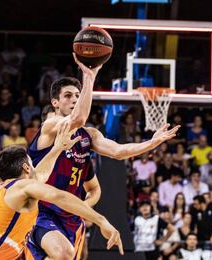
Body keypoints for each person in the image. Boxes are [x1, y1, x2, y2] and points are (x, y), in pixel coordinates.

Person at [27, 54, 180, 259]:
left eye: (77, 95)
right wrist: (89, 76)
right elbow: (79, 118)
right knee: (63, 253)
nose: (74, 99)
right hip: (42, 211)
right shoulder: (50, 126)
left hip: (71, 216)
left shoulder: (88, 136)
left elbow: (118, 152)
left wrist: (151, 143)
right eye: (68, 96)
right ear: (55, 102)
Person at [0, 128, 123, 260]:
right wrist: (102, 221)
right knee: (64, 254)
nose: (36, 168)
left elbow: (40, 175)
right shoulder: (22, 188)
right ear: (27, 168)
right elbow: (60, 196)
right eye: (31, 164)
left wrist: (57, 148)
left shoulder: (8, 190)